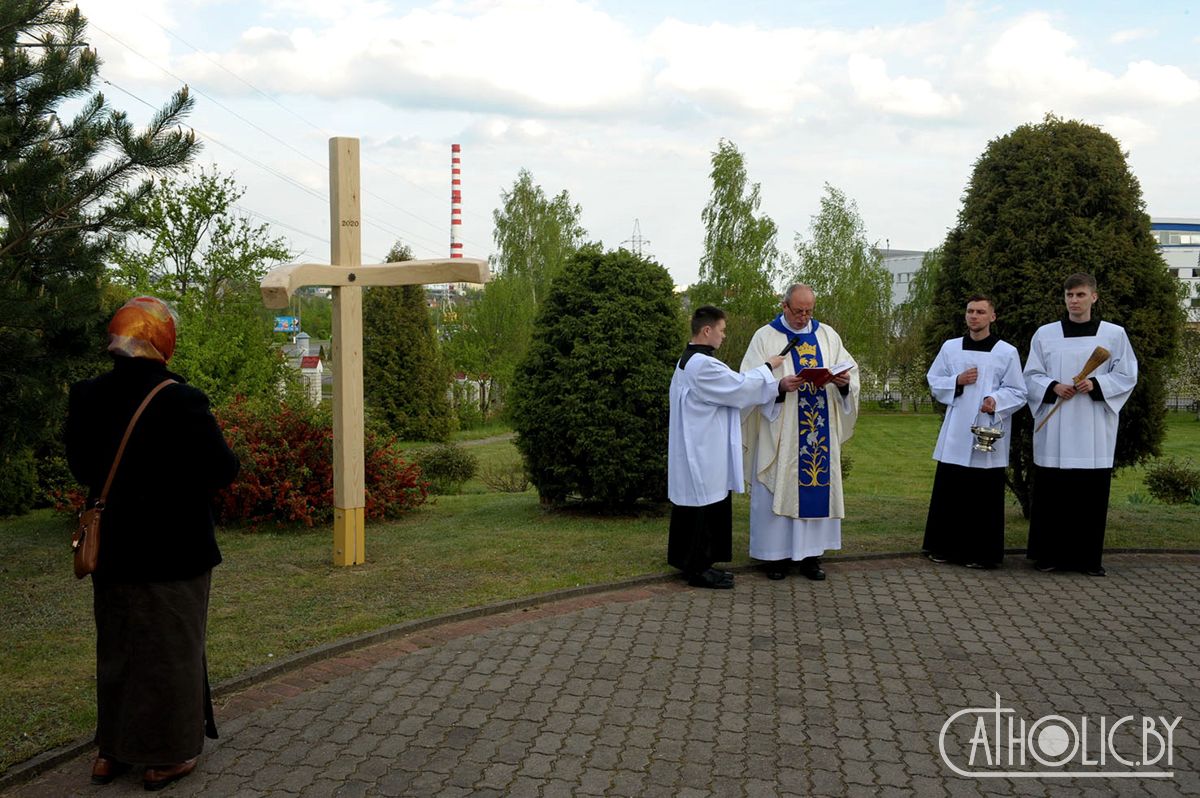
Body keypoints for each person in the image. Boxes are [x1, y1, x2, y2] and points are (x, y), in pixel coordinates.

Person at [66, 296, 239, 791]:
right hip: (174, 550)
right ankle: (165, 757)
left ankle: (111, 753)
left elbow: (82, 467)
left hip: (114, 549)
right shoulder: (181, 400)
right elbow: (222, 470)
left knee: (118, 648)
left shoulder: (86, 395)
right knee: (172, 652)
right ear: (162, 341)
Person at [668, 305, 795, 588]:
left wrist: (765, 376)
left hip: (700, 444)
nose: (724, 336)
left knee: (700, 505)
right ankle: (699, 569)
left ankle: (700, 564)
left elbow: (733, 387)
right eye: (722, 331)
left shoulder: (690, 360)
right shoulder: (704, 365)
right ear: (707, 330)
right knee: (702, 505)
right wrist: (771, 374)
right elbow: (738, 388)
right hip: (703, 448)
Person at [740, 284, 859, 581]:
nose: (804, 317)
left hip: (819, 431)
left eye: (809, 311)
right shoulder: (765, 337)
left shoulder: (827, 335)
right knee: (778, 485)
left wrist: (843, 383)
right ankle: (774, 557)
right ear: (784, 306)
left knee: (816, 485)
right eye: (798, 311)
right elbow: (748, 381)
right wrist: (778, 387)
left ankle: (811, 557)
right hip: (782, 428)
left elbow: (850, 373)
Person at [1023, 273, 1138, 577]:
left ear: (1094, 297)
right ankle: (1048, 557)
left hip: (1093, 429)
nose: (1074, 301)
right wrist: (1052, 387)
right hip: (1056, 428)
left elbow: (1127, 375)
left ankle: (1087, 560)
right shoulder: (1045, 334)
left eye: (1080, 295)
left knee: (1088, 497)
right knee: (1053, 496)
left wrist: (1096, 384)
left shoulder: (1113, 335)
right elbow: (1030, 375)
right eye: (1069, 295)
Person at [923, 295, 1026, 569]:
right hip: (957, 432)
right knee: (951, 493)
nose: (974, 316)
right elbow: (934, 380)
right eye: (970, 311)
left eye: (981, 312)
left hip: (987, 432)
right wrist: (956, 380)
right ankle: (944, 548)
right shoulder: (951, 348)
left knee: (983, 497)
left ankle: (983, 554)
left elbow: (1018, 391)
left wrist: (997, 401)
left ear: (992, 316)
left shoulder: (1006, 352)